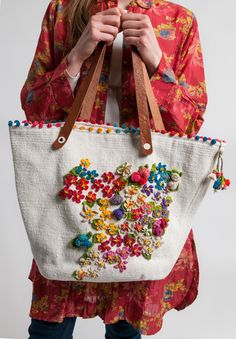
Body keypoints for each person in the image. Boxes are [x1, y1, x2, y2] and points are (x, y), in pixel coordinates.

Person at [20, 0, 207, 338]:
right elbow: (35, 110)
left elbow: (190, 123)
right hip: (70, 199)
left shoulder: (179, 21)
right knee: (49, 329)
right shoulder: (64, 11)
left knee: (125, 329)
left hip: (140, 201)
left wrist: (156, 64)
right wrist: (76, 57)